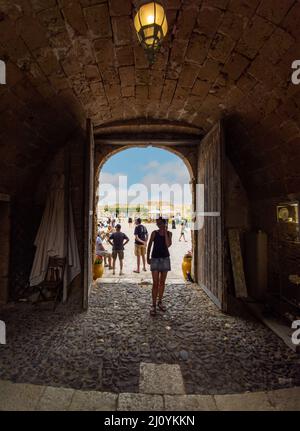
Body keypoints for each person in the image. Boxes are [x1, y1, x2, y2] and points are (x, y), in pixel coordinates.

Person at [147, 217, 172, 316]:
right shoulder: (154, 233)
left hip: (165, 259)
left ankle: (160, 302)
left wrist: (165, 232)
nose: (158, 225)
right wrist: (147, 257)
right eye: (157, 224)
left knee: (162, 283)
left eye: (160, 223)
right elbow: (149, 245)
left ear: (164, 224)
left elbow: (168, 244)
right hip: (155, 259)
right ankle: (153, 305)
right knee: (155, 283)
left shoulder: (169, 233)